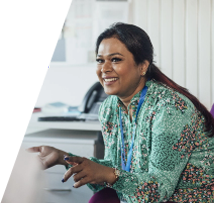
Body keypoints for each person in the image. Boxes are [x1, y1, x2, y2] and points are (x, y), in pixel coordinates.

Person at [28, 23, 214, 203]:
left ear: (142, 66)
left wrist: (109, 174)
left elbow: (159, 190)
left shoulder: (170, 109)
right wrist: (63, 157)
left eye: (115, 59)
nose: (105, 69)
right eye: (100, 60)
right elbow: (114, 169)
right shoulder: (109, 107)